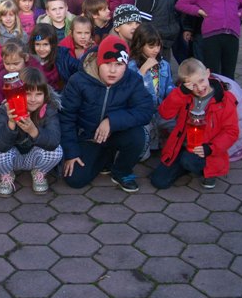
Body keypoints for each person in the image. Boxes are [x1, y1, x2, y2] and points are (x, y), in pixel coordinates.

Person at [60, 35, 154, 191]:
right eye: (107, 63)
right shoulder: (78, 81)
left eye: (119, 64)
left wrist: (112, 121)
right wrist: (71, 152)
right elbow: (66, 117)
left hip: (116, 133)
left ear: (126, 64)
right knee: (75, 179)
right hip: (87, 137)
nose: (113, 70)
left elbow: (146, 110)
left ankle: (121, 171)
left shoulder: (132, 80)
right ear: (98, 62)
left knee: (138, 136)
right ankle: (104, 158)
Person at [150, 58, 239, 190]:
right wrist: (180, 93)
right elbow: (165, 113)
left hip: (208, 150)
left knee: (188, 160)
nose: (199, 88)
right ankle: (184, 166)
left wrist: (210, 148)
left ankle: (208, 171)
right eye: (193, 85)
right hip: (182, 145)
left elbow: (231, 132)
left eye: (201, 81)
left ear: (207, 73)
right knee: (159, 181)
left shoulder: (224, 100)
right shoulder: (184, 95)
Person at [0, 67, 63, 196]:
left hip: (34, 156)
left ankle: (39, 172)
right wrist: (11, 123)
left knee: (57, 151)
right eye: (28, 94)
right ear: (18, 93)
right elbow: (0, 145)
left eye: (38, 94)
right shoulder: (6, 109)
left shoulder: (49, 109)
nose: (33, 99)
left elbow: (54, 141)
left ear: (45, 94)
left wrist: (34, 130)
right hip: (12, 157)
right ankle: (6, 175)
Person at [0, 41, 43, 145]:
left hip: (30, 116)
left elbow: (42, 96)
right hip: (4, 117)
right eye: (7, 64)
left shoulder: (34, 74)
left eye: (16, 64)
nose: (11, 68)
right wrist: (2, 113)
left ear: (26, 58)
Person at [128, 23, 175, 156]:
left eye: (158, 46)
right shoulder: (131, 66)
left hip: (161, 112)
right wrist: (142, 71)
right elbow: (129, 91)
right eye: (151, 46)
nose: (156, 50)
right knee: (142, 156)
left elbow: (169, 87)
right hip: (142, 116)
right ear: (140, 45)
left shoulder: (164, 65)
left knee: (180, 130)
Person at [28, 23, 80, 92]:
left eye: (45, 44)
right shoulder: (29, 61)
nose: (41, 49)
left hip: (62, 94)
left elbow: (79, 68)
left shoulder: (62, 56)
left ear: (52, 44)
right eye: (37, 44)